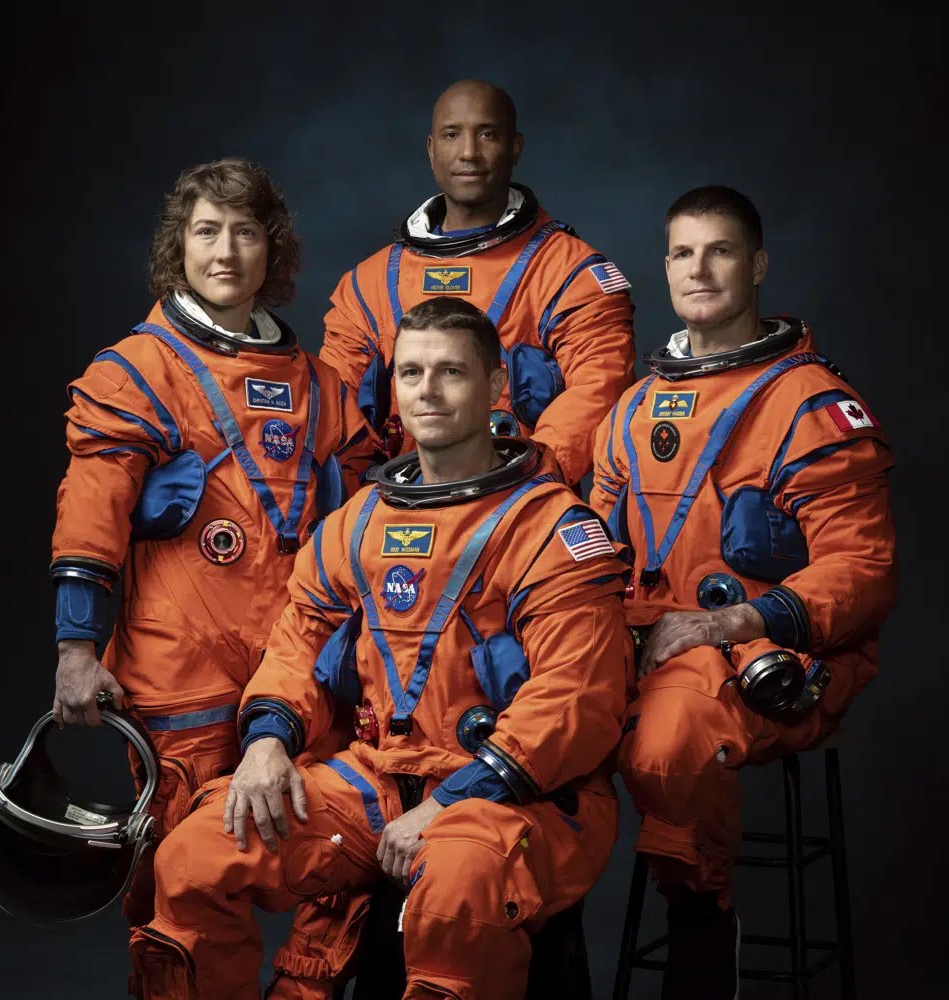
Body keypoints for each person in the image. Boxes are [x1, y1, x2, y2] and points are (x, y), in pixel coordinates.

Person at [128, 296, 631, 1000]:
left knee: (456, 889)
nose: (426, 390)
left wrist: (455, 796)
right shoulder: (358, 522)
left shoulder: (550, 529)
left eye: (451, 372)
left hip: (521, 795)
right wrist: (269, 739)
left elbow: (578, 699)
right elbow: (297, 641)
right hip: (378, 780)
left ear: (494, 389)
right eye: (412, 372)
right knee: (193, 855)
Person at [49, 157, 375, 989]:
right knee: (180, 886)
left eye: (244, 231)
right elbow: (91, 515)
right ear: (178, 247)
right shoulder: (135, 372)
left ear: (274, 249)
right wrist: (76, 647)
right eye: (206, 232)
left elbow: (379, 518)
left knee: (330, 862)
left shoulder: (322, 389)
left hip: (302, 675)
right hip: (178, 681)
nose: (225, 250)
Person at [590, 186, 896, 999]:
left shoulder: (812, 408)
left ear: (757, 264)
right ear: (664, 269)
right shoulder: (630, 411)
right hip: (641, 643)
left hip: (766, 650)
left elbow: (861, 572)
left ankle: (701, 917)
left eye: (720, 250)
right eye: (684, 253)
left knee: (668, 739)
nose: (700, 269)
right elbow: (590, 556)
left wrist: (732, 619)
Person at [319, 78, 636, 486]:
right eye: (452, 135)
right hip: (397, 510)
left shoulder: (568, 272)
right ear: (432, 150)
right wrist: (364, 504)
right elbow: (333, 409)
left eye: (487, 134)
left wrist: (523, 488)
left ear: (515, 147)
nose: (468, 153)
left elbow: (598, 389)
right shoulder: (369, 284)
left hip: (518, 509)